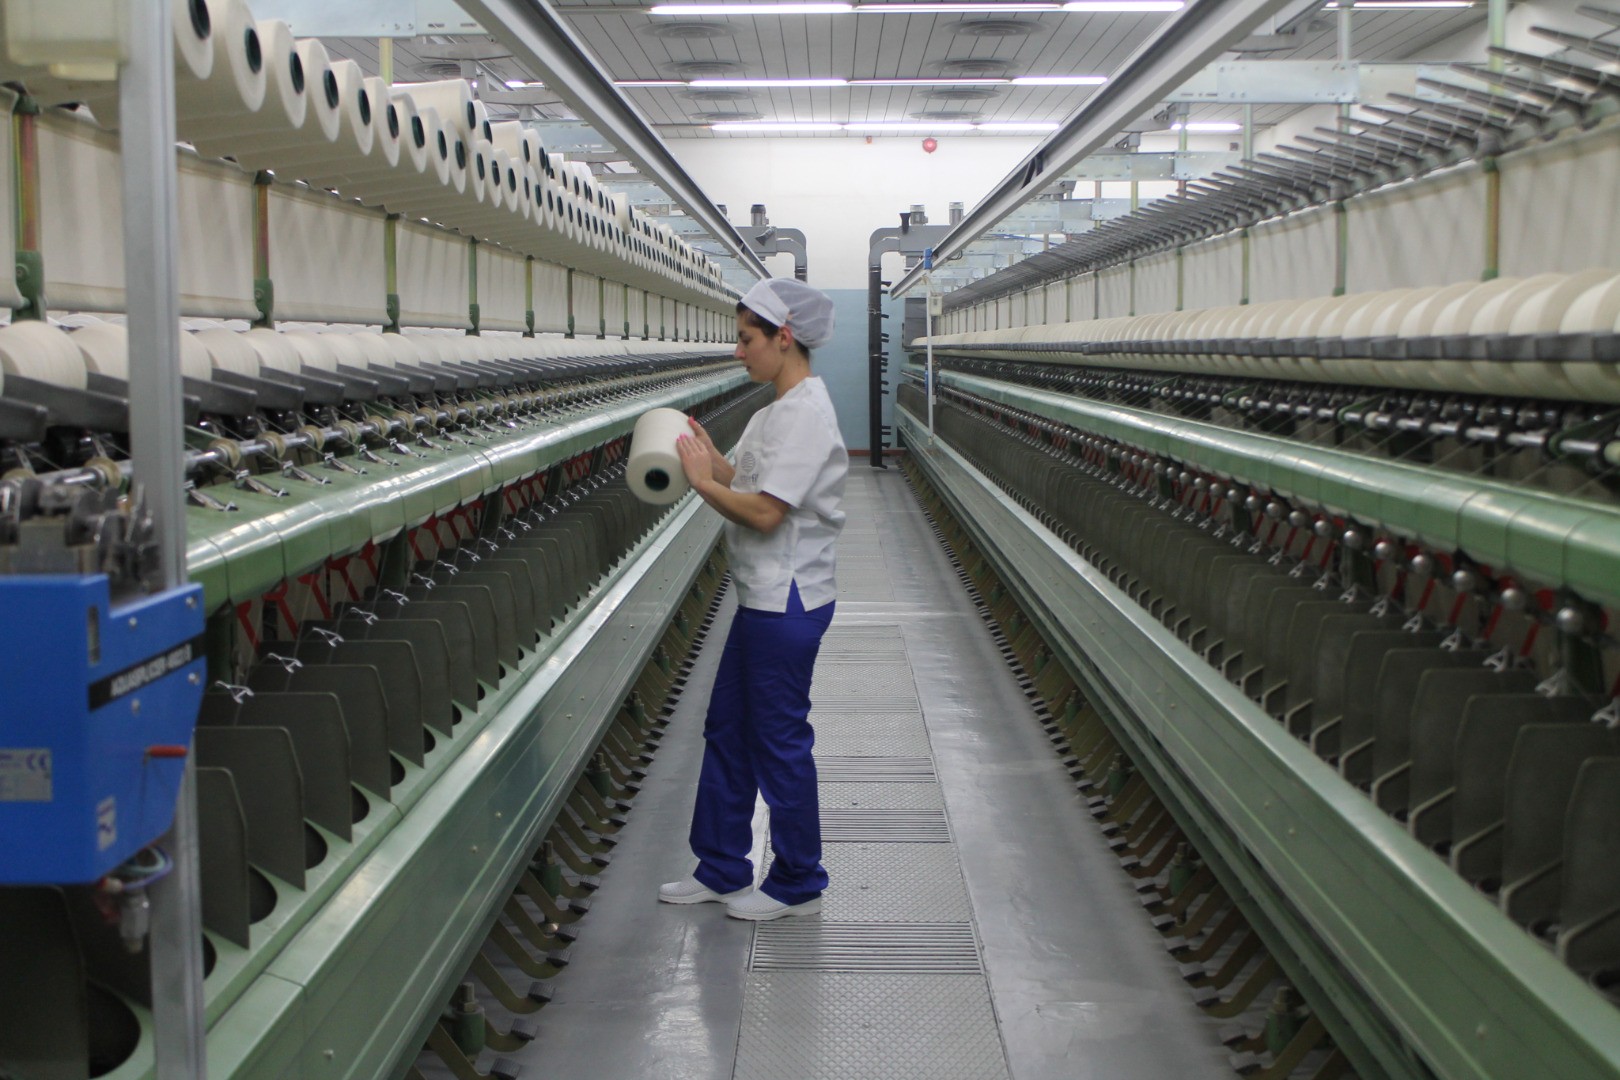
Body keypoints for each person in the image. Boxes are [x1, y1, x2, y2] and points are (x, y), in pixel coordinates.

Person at [657, 277, 848, 921]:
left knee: (778, 739)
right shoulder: (773, 412)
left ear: (783, 337)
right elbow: (743, 478)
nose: (738, 352)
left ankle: (798, 880)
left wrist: (700, 485)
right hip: (760, 598)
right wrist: (707, 454)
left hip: (788, 599)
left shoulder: (808, 415)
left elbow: (764, 512)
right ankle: (722, 867)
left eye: (746, 340)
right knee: (728, 729)